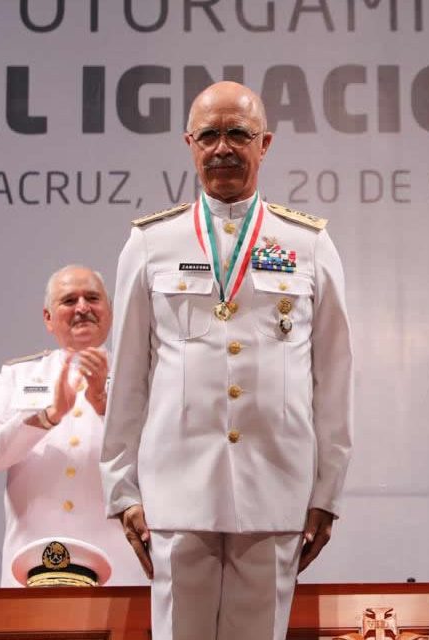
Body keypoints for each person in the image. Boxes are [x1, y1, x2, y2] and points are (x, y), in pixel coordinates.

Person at [101, 81, 353, 640]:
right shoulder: (150, 244)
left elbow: (333, 378)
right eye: (210, 134)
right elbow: (130, 377)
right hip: (175, 490)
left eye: (238, 133)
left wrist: (326, 493)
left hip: (276, 487)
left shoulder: (308, 243)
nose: (223, 148)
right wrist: (122, 489)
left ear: (265, 144)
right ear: (189, 143)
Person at [0, 265, 148, 587]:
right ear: (48, 318)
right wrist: (46, 417)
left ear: (109, 311)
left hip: (122, 574)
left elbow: (164, 456)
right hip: (30, 570)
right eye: (69, 300)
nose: (82, 307)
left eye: (92, 298)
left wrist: (104, 406)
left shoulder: (142, 375)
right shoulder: (19, 375)